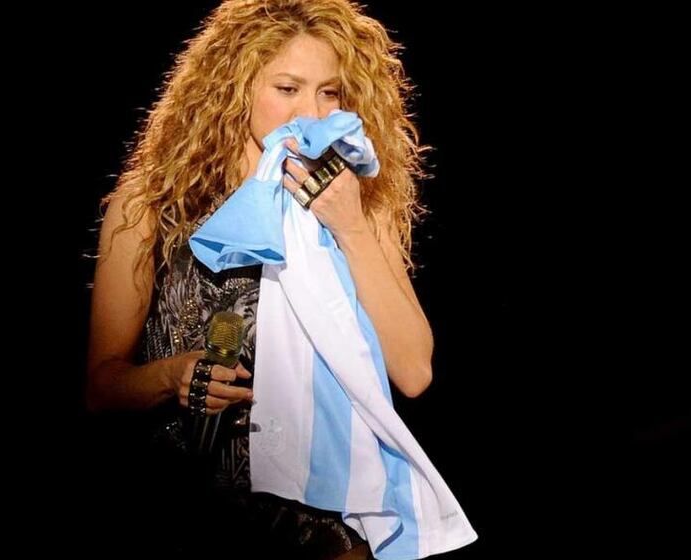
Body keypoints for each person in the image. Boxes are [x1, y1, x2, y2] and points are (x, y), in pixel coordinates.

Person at [86, 1, 439, 557]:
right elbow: (100, 389)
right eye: (288, 88)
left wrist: (351, 229)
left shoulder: (358, 206)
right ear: (234, 87)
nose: (311, 114)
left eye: (330, 93)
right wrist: (171, 375)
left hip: (323, 516)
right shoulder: (152, 205)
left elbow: (414, 372)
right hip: (182, 498)